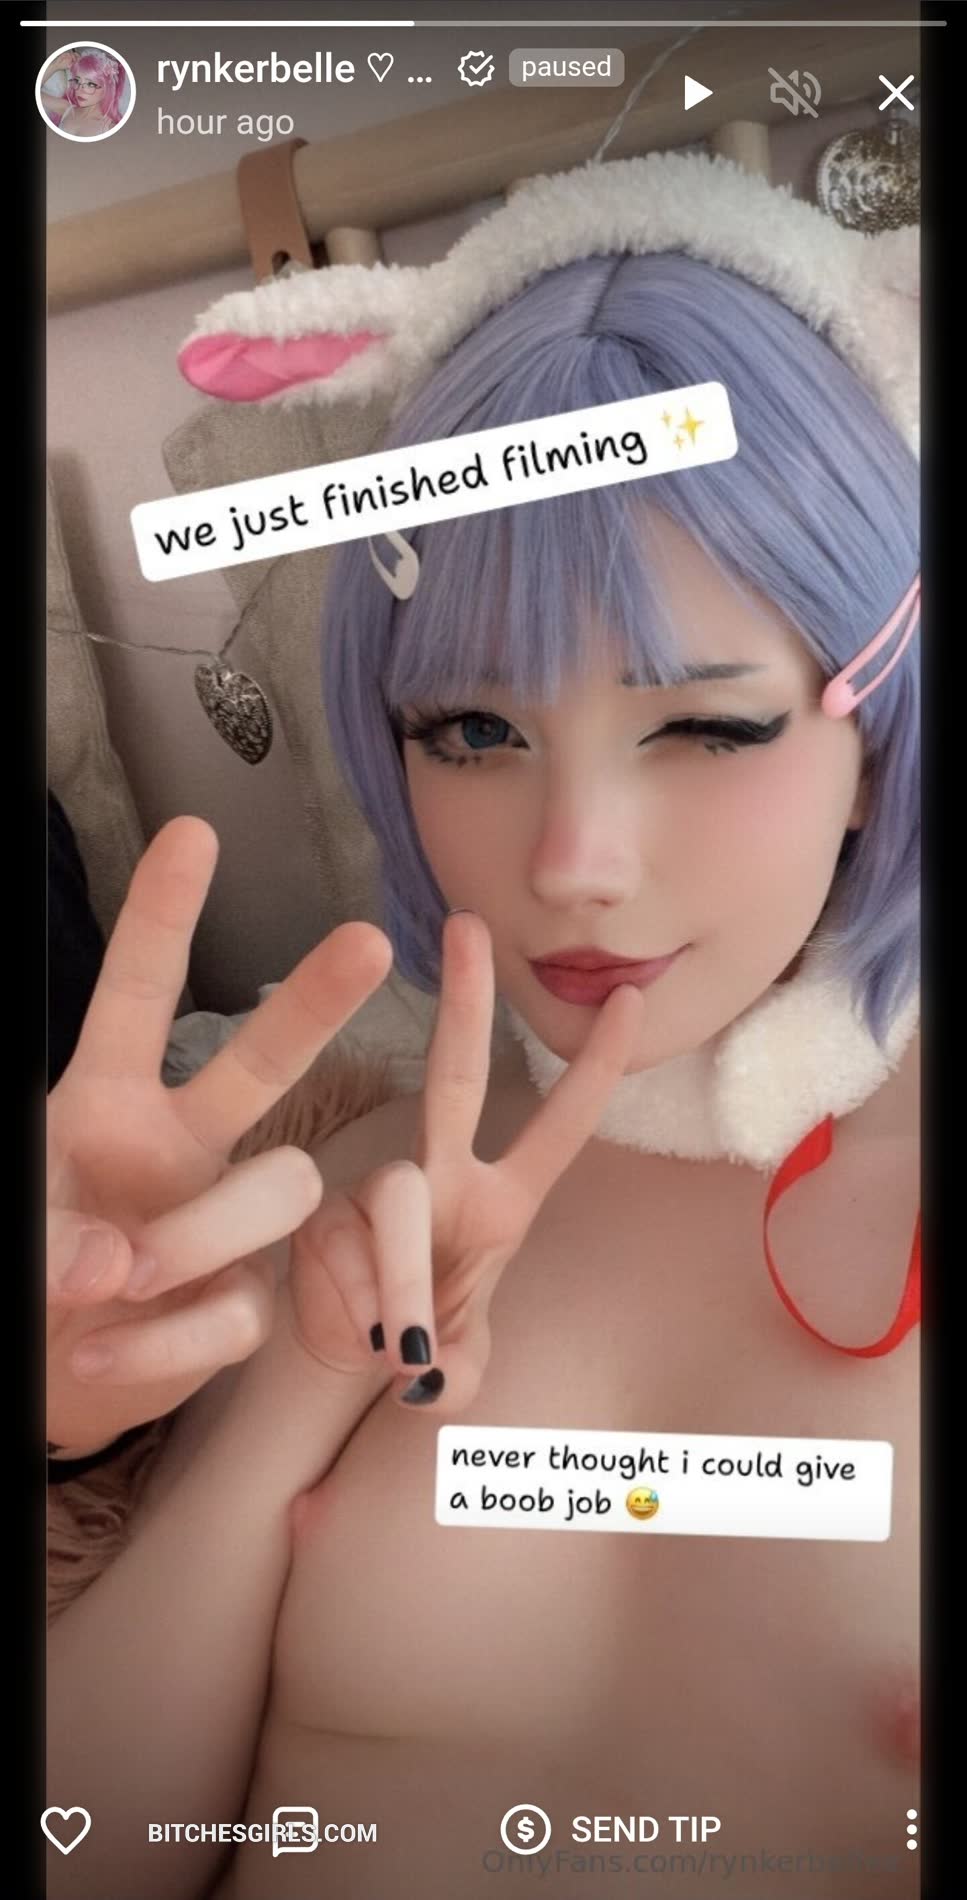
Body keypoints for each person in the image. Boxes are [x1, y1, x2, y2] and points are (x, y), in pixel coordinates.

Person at [47, 153, 920, 1900]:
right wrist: (262, 1381)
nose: (572, 865)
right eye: (470, 732)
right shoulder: (339, 1192)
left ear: (874, 735)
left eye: (706, 730)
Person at [52, 48, 126, 137]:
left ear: (107, 89)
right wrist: (55, 66)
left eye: (90, 84)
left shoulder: (110, 128)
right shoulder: (66, 108)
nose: (80, 90)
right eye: (77, 81)